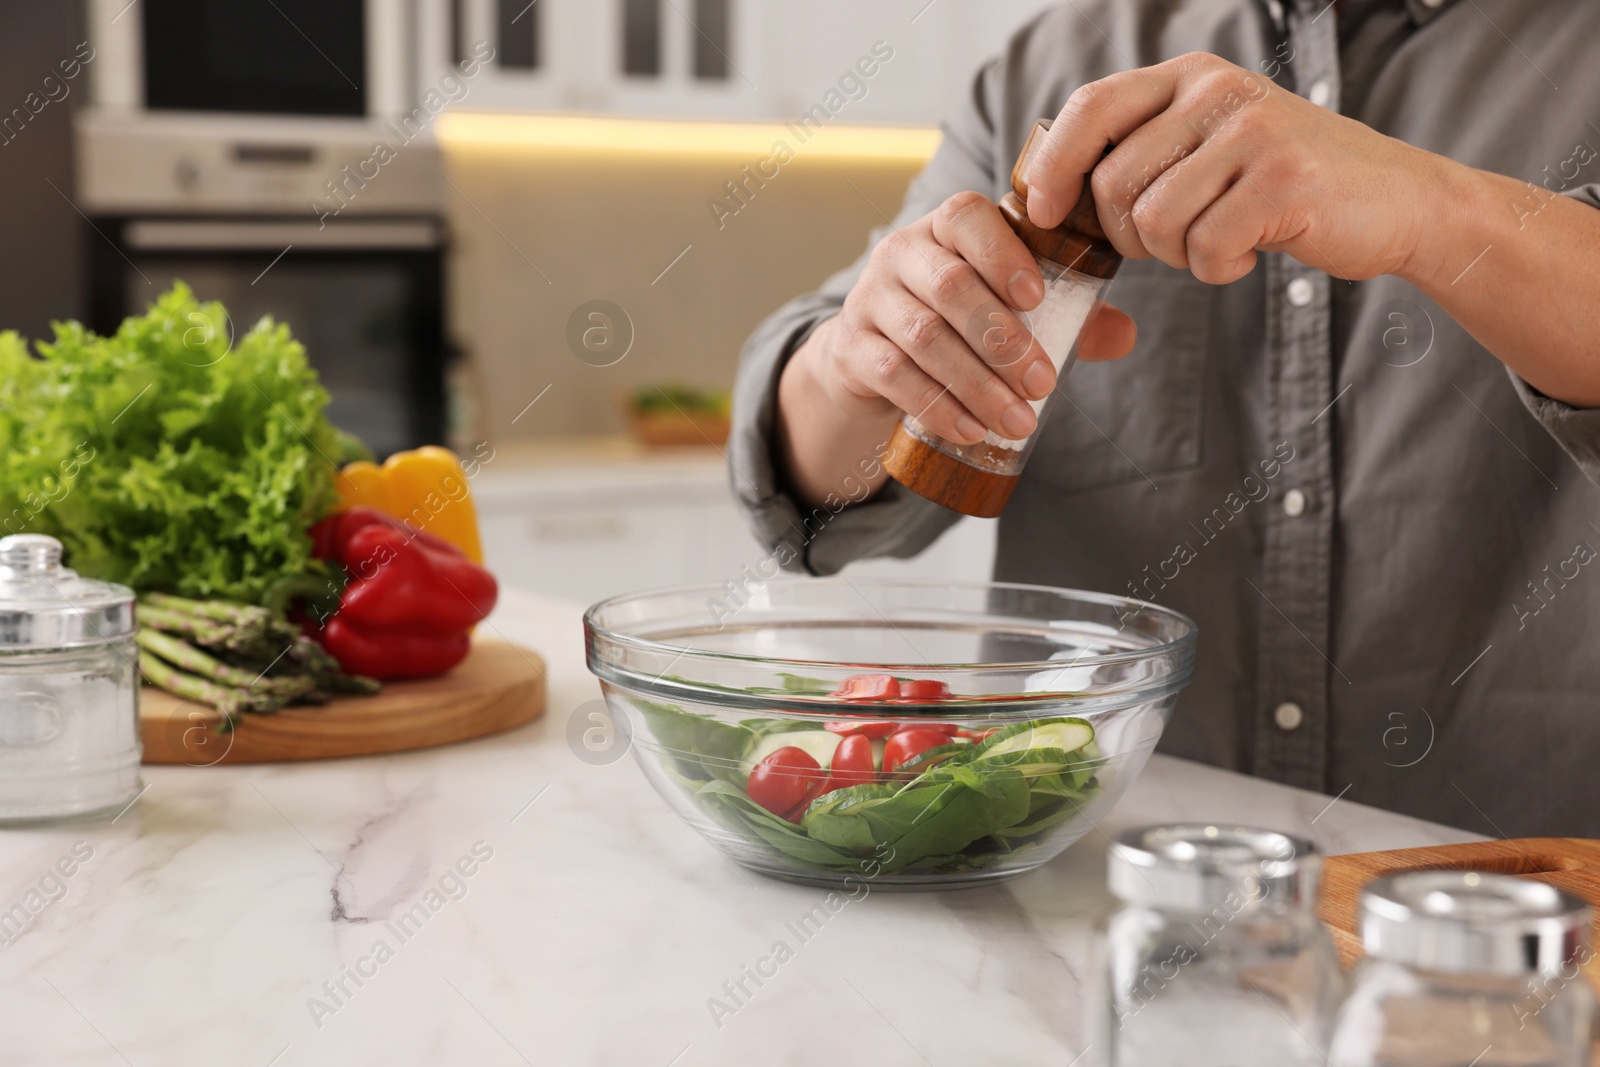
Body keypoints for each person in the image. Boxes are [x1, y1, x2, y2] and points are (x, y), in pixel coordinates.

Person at [728, 0, 1600, 837]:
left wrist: (1432, 210)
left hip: (1527, 914)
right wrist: (858, 363)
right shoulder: (1057, 65)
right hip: (1091, 898)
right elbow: (818, 497)